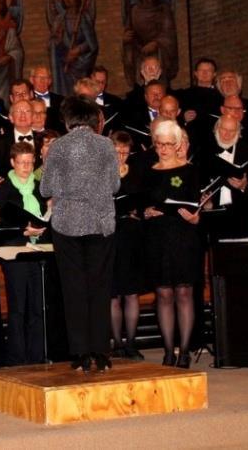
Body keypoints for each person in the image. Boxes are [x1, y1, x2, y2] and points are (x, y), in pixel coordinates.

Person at [40, 98, 120, 373]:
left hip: (67, 226)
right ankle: (101, 350)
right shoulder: (106, 144)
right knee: (99, 288)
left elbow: (46, 187)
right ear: (95, 120)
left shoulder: (59, 146)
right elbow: (114, 183)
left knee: (73, 290)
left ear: (67, 121)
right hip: (100, 224)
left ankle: (81, 353)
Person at [141, 119, 202, 368]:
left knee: (184, 292)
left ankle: (185, 350)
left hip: (183, 237)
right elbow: (141, 203)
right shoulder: (148, 171)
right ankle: (168, 350)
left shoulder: (189, 171)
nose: (164, 149)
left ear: (178, 145)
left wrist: (195, 216)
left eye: (169, 144)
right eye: (160, 144)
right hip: (157, 238)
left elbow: (196, 207)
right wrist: (145, 211)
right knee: (164, 292)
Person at [0, 142, 50, 365]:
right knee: (18, 307)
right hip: (16, 250)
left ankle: (37, 356)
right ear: (12, 163)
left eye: (30, 162)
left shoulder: (39, 186)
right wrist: (23, 230)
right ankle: (17, 358)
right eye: (22, 163)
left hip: (39, 250)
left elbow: (46, 211)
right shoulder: (5, 188)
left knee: (38, 306)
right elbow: (4, 223)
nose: (27, 167)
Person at [109, 131, 146, 360]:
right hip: (111, 235)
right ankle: (117, 343)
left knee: (131, 292)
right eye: (117, 151)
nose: (121, 156)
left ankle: (131, 343)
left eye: (125, 152)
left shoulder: (137, 172)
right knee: (113, 294)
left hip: (132, 236)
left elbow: (143, 200)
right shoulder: (102, 173)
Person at [122, 0, 178, 88]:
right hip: (140, 51)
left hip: (159, 51)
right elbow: (129, 31)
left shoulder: (163, 8)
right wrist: (126, 38)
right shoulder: (134, 11)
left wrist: (156, 43)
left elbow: (168, 33)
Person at [47, 0, 98, 95]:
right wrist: (58, 41)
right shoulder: (59, 20)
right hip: (64, 65)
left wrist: (78, 50)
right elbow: (51, 44)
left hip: (80, 64)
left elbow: (92, 44)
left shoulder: (83, 18)